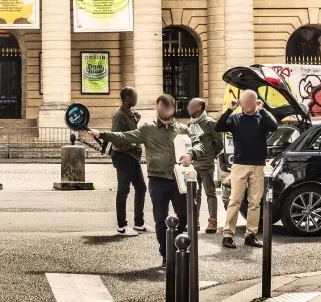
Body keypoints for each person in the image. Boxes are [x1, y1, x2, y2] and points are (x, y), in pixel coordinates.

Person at [89, 94, 204, 265]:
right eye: (159, 107)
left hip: (179, 180)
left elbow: (199, 144)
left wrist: (191, 154)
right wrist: (102, 134)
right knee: (160, 219)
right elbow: (125, 136)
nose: (162, 110)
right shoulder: (147, 129)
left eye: (165, 107)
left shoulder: (183, 129)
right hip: (157, 179)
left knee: (183, 216)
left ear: (173, 109)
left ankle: (173, 244)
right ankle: (166, 253)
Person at [216, 90, 277, 249]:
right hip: (239, 165)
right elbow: (219, 126)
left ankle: (250, 234)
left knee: (255, 202)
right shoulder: (235, 118)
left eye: (251, 102)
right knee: (234, 200)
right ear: (241, 103)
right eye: (245, 102)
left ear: (256, 102)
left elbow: (274, 126)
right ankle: (228, 235)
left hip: (258, 165)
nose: (248, 105)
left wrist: (263, 110)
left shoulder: (261, 118)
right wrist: (229, 109)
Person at [109, 86, 147, 236]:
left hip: (132, 157)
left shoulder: (130, 114)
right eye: (134, 96)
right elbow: (116, 139)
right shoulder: (119, 115)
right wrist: (133, 146)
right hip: (124, 156)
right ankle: (122, 226)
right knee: (123, 190)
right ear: (127, 98)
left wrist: (136, 121)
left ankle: (139, 223)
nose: (136, 99)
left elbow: (131, 133)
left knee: (141, 188)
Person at [187, 97, 223, 234]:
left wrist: (210, 156)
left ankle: (212, 221)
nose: (188, 108)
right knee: (194, 194)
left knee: (210, 193)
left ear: (199, 108)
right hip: (193, 165)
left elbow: (219, 144)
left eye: (192, 106)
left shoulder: (210, 123)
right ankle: (194, 222)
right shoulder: (190, 124)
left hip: (207, 164)